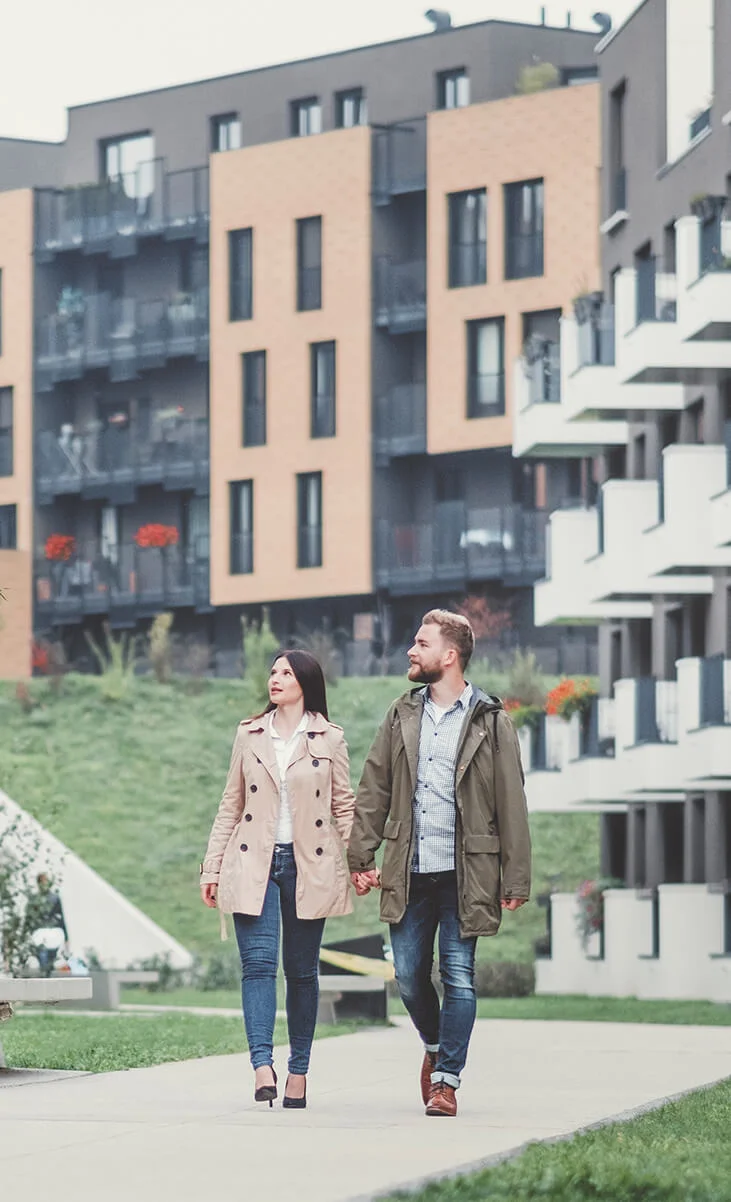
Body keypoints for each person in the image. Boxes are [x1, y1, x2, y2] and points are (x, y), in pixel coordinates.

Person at [348, 610, 531, 1118]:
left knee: (459, 976)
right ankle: (434, 1046)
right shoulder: (401, 714)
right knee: (408, 976)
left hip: (467, 872)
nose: (411, 649)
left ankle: (447, 1081)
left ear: (449, 656)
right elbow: (374, 788)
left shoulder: (492, 720)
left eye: (421, 642)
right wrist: (359, 856)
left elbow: (511, 802)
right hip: (408, 867)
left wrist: (514, 876)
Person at [200, 650, 355, 1110]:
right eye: (272, 672)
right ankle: (262, 1065)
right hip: (254, 864)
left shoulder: (330, 738)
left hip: (311, 864)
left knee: (303, 974)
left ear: (306, 681)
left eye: (286, 672)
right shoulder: (249, 735)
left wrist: (364, 862)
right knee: (258, 968)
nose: (275, 678)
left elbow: (344, 806)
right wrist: (211, 867)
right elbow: (230, 805)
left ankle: (299, 1072)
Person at [32, 874, 70, 976]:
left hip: (53, 934)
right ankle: (45, 975)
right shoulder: (34, 899)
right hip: (40, 934)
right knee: (43, 957)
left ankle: (47, 976)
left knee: (50, 958)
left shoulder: (54, 898)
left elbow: (61, 918)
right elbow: (30, 919)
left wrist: (66, 938)